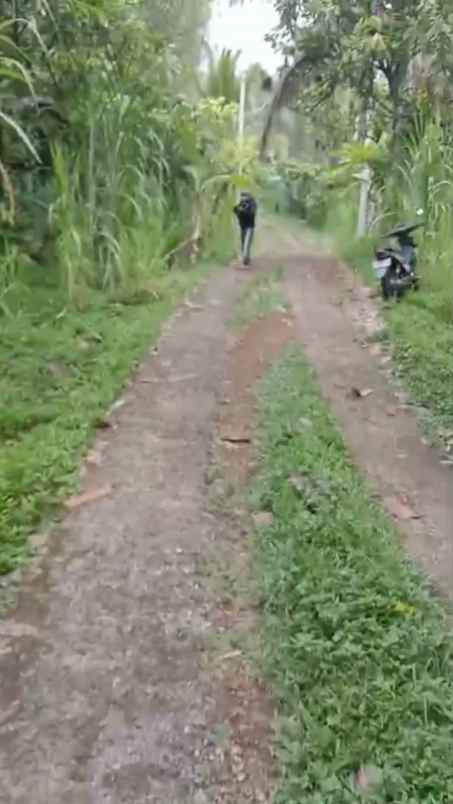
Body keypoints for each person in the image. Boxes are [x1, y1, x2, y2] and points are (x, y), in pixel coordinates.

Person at [233, 191, 257, 266]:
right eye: (242, 196)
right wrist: (238, 210)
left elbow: (252, 213)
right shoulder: (241, 203)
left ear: (248, 196)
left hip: (250, 227)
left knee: (247, 244)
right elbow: (235, 210)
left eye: (244, 196)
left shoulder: (252, 204)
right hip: (242, 226)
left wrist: (243, 211)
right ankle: (247, 259)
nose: (243, 197)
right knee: (243, 244)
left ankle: (245, 260)